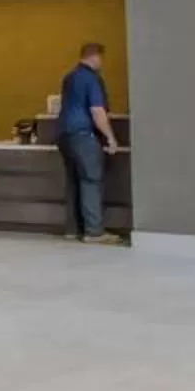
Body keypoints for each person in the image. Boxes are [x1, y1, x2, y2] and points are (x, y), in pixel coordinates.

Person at [55, 41, 118, 242]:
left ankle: (73, 229)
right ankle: (94, 231)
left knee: (73, 182)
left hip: (64, 136)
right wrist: (110, 137)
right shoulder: (91, 79)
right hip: (83, 135)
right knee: (91, 180)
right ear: (96, 57)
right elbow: (97, 111)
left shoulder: (70, 77)